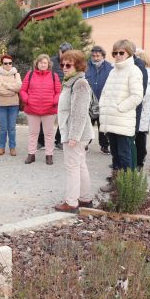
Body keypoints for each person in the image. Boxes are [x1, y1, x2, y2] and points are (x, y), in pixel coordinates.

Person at [99, 40, 143, 192]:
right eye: (115, 53)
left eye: (121, 53)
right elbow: (105, 93)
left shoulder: (134, 71)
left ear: (129, 53)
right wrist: (103, 107)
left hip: (122, 120)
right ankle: (116, 183)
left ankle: (128, 187)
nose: (117, 56)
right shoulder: (113, 71)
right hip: (110, 119)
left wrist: (119, 108)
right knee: (115, 155)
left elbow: (137, 96)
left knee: (125, 156)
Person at [54, 50, 94, 213]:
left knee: (72, 167)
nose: (64, 67)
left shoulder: (80, 84)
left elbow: (79, 112)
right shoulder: (71, 82)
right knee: (80, 165)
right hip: (74, 133)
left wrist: (73, 136)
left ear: (78, 66)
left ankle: (71, 203)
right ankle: (85, 199)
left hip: (75, 134)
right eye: (62, 64)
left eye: (68, 64)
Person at [21, 54, 62, 165]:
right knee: (33, 133)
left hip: (49, 110)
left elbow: (59, 92)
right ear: (37, 64)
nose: (43, 65)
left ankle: (49, 155)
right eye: (41, 62)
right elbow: (23, 90)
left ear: (48, 64)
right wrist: (27, 100)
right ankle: (31, 155)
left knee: (49, 134)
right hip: (32, 109)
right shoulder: (30, 75)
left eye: (45, 63)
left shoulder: (54, 76)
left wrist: (54, 101)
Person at [37, 42, 71, 150]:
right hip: (50, 95)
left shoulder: (71, 62)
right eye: (63, 52)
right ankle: (41, 141)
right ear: (59, 51)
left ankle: (59, 140)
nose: (65, 54)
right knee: (44, 119)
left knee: (63, 119)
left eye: (68, 52)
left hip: (65, 94)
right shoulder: (51, 62)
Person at [85, 45, 113, 154]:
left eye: (98, 56)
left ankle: (104, 145)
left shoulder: (110, 67)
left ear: (103, 56)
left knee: (103, 126)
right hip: (89, 102)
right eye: (93, 56)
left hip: (104, 102)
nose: (95, 58)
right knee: (87, 125)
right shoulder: (86, 66)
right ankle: (85, 143)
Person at [0, 54, 22, 156]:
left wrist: (5, 86)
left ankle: (12, 147)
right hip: (1, 105)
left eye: (10, 63)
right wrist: (12, 90)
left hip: (14, 104)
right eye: (6, 63)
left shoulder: (16, 74)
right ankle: (1, 147)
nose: (8, 65)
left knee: (12, 128)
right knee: (3, 128)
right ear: (2, 64)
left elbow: (18, 87)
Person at [135, 49, 150, 169]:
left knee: (140, 135)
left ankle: (140, 161)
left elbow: (147, 93)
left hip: (143, 109)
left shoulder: (149, 73)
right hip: (137, 108)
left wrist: (134, 100)